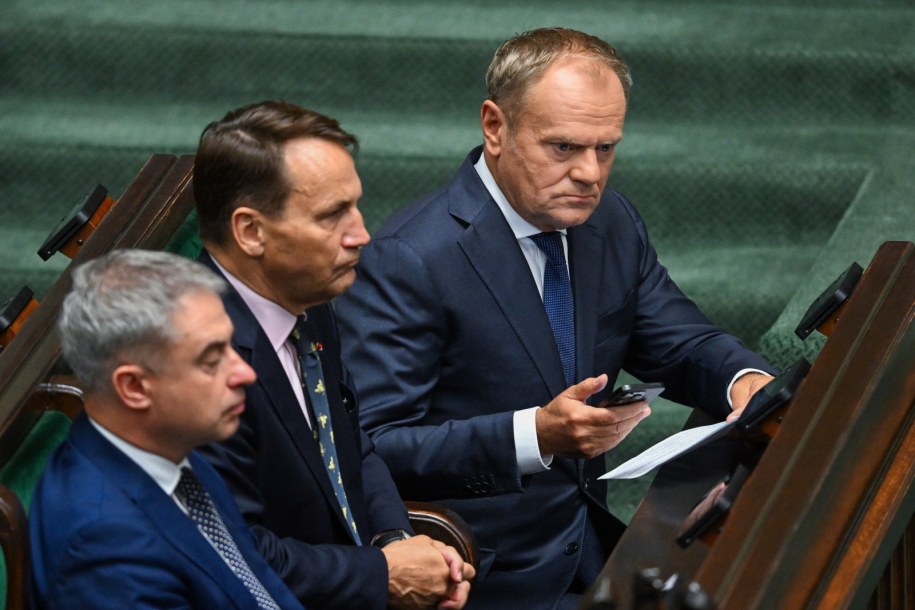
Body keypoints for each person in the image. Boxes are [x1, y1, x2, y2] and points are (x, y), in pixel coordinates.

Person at [334, 27, 776, 609]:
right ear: (495, 127)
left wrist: (745, 380)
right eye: (564, 148)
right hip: (488, 577)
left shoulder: (610, 222)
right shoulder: (411, 258)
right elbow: (373, 447)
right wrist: (534, 435)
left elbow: (680, 340)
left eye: (605, 148)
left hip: (598, 548)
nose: (590, 173)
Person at [192, 100, 474, 610]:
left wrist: (395, 540)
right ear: (251, 232)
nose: (361, 235)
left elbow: (349, 442)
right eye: (331, 215)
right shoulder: (197, 363)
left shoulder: (306, 297)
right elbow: (233, 558)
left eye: (355, 206)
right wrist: (382, 575)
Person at [30, 249, 303, 610]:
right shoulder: (104, 545)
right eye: (212, 360)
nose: (244, 373)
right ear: (134, 388)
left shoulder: (172, 449)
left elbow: (261, 587)